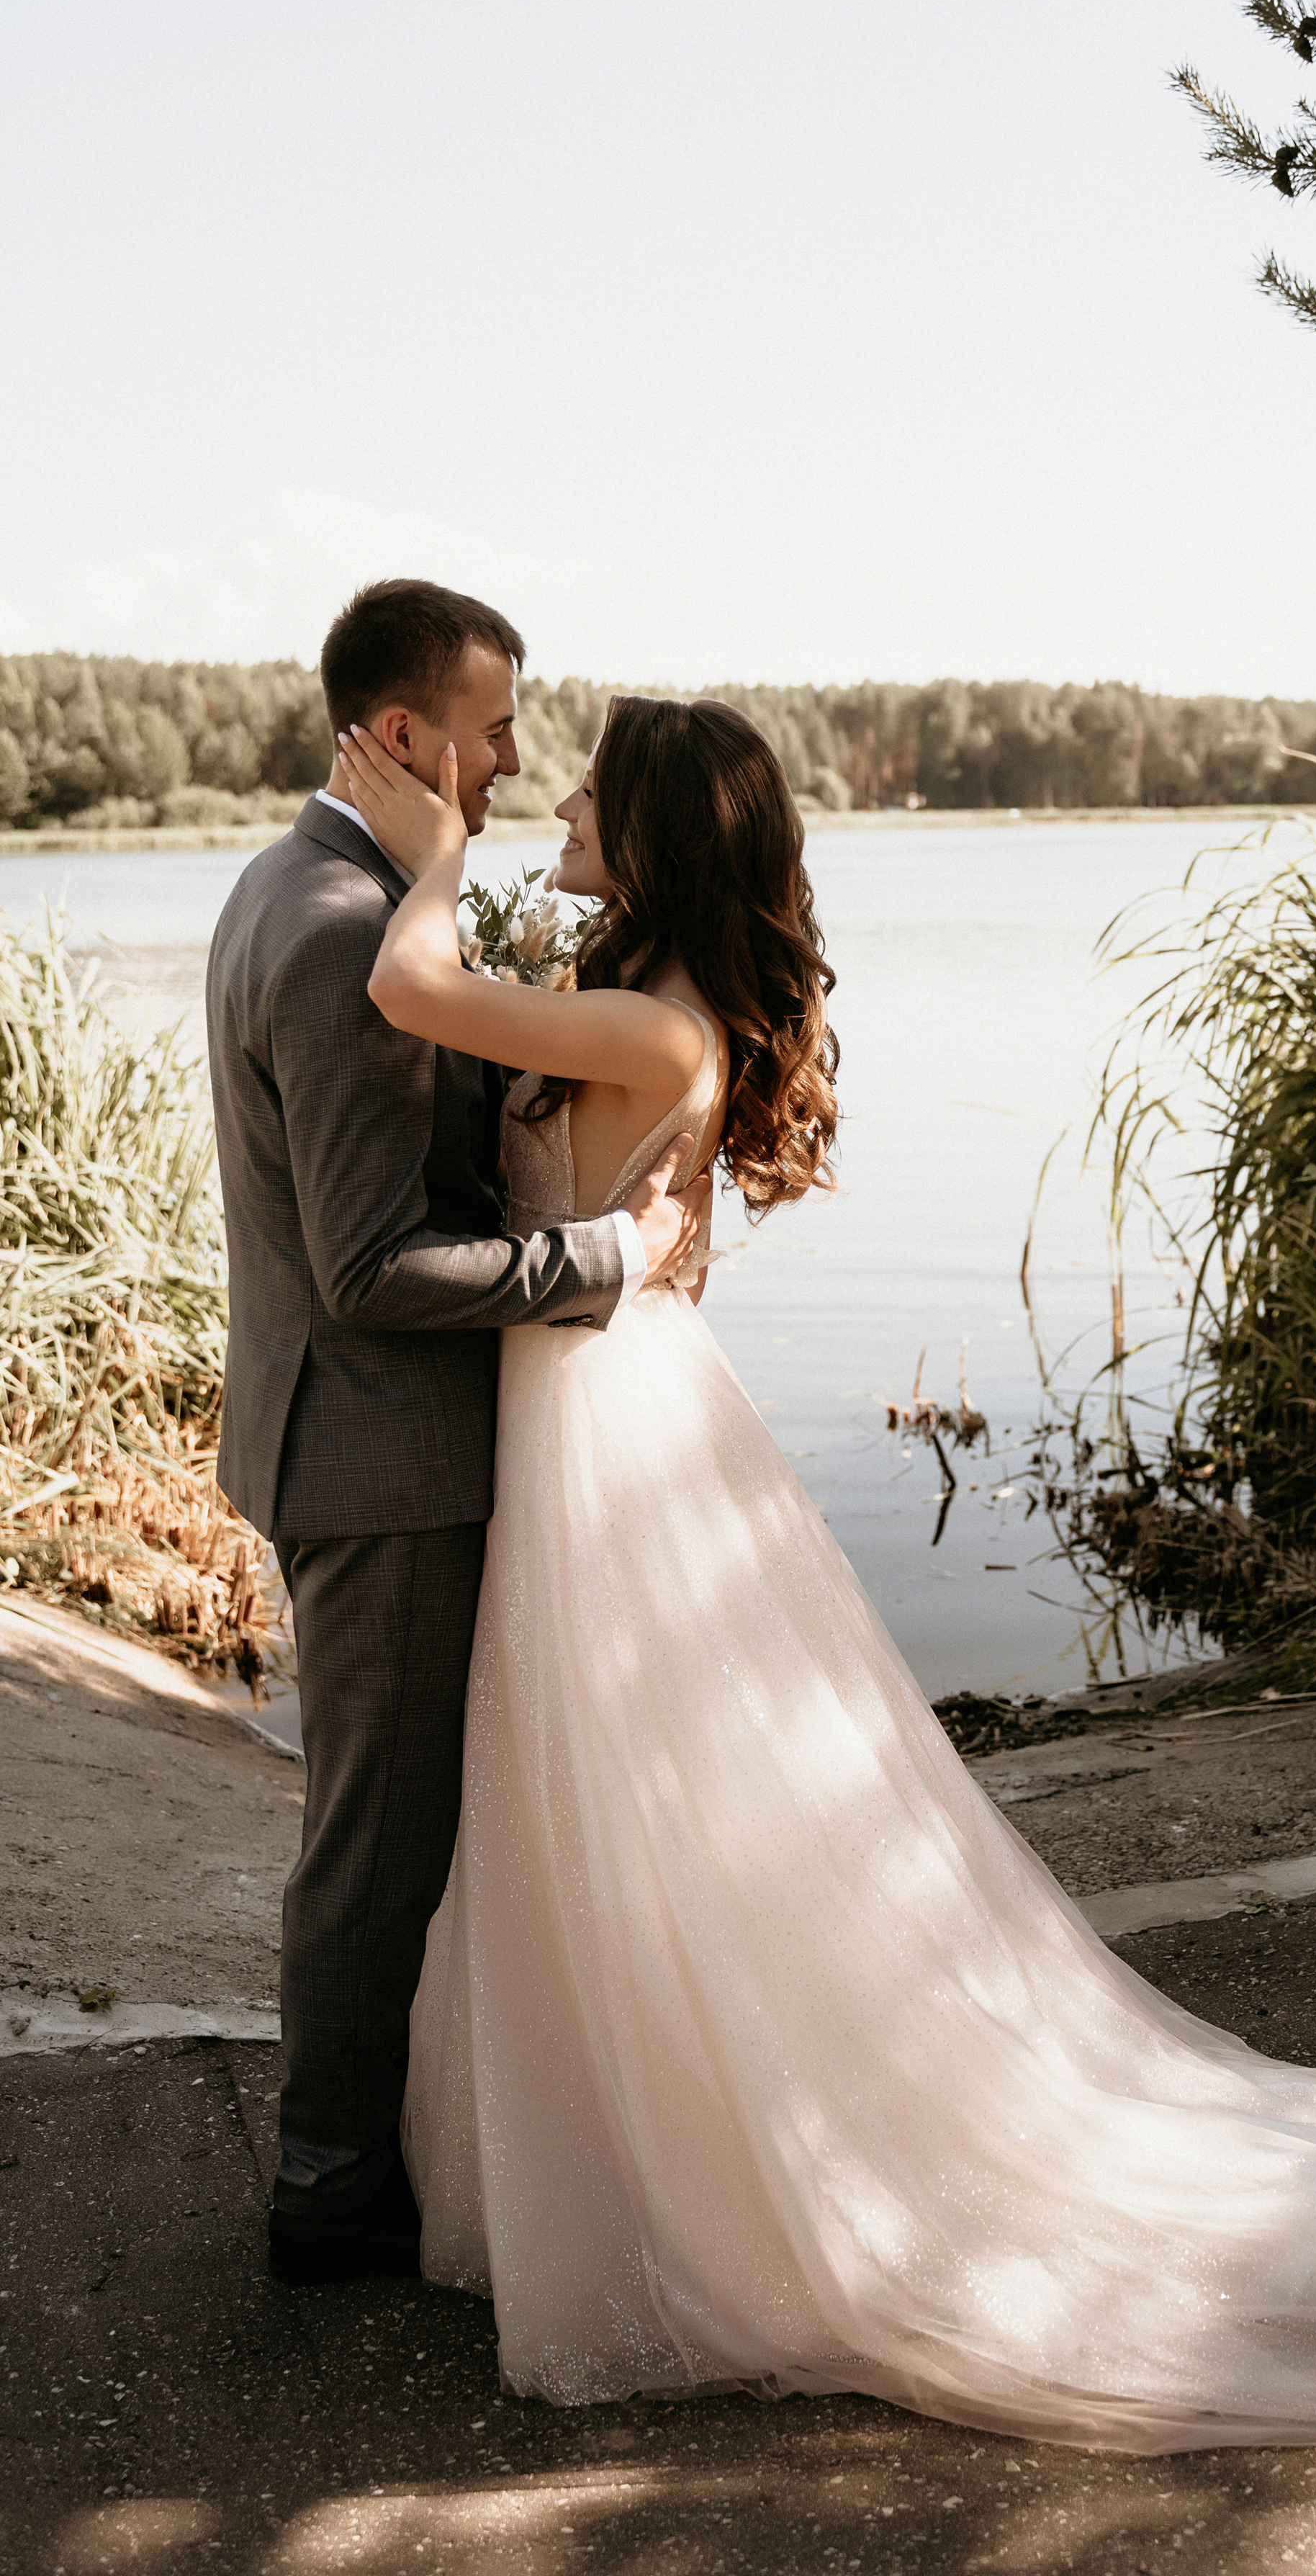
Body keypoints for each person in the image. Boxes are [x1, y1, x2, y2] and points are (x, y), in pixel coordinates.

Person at [341, 694, 1316, 2453]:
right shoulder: (641, 996)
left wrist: (430, 855)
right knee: (610, 1791)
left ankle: (699, 2183)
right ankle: (617, 2157)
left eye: (591, 796)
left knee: (637, 1785)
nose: (561, 809)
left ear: (661, 834)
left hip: (601, 1417)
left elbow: (409, 989)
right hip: (595, 1396)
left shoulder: (649, 1020)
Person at [205, 579, 710, 2288]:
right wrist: (607, 1260)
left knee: (394, 1820)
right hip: (385, 1459)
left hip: (341, 1440)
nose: (511, 760)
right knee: (377, 1841)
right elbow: (370, 1267)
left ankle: (399, 2150)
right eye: (491, 730)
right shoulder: (345, 933)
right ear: (406, 734)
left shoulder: (290, 880)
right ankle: (329, 2192)